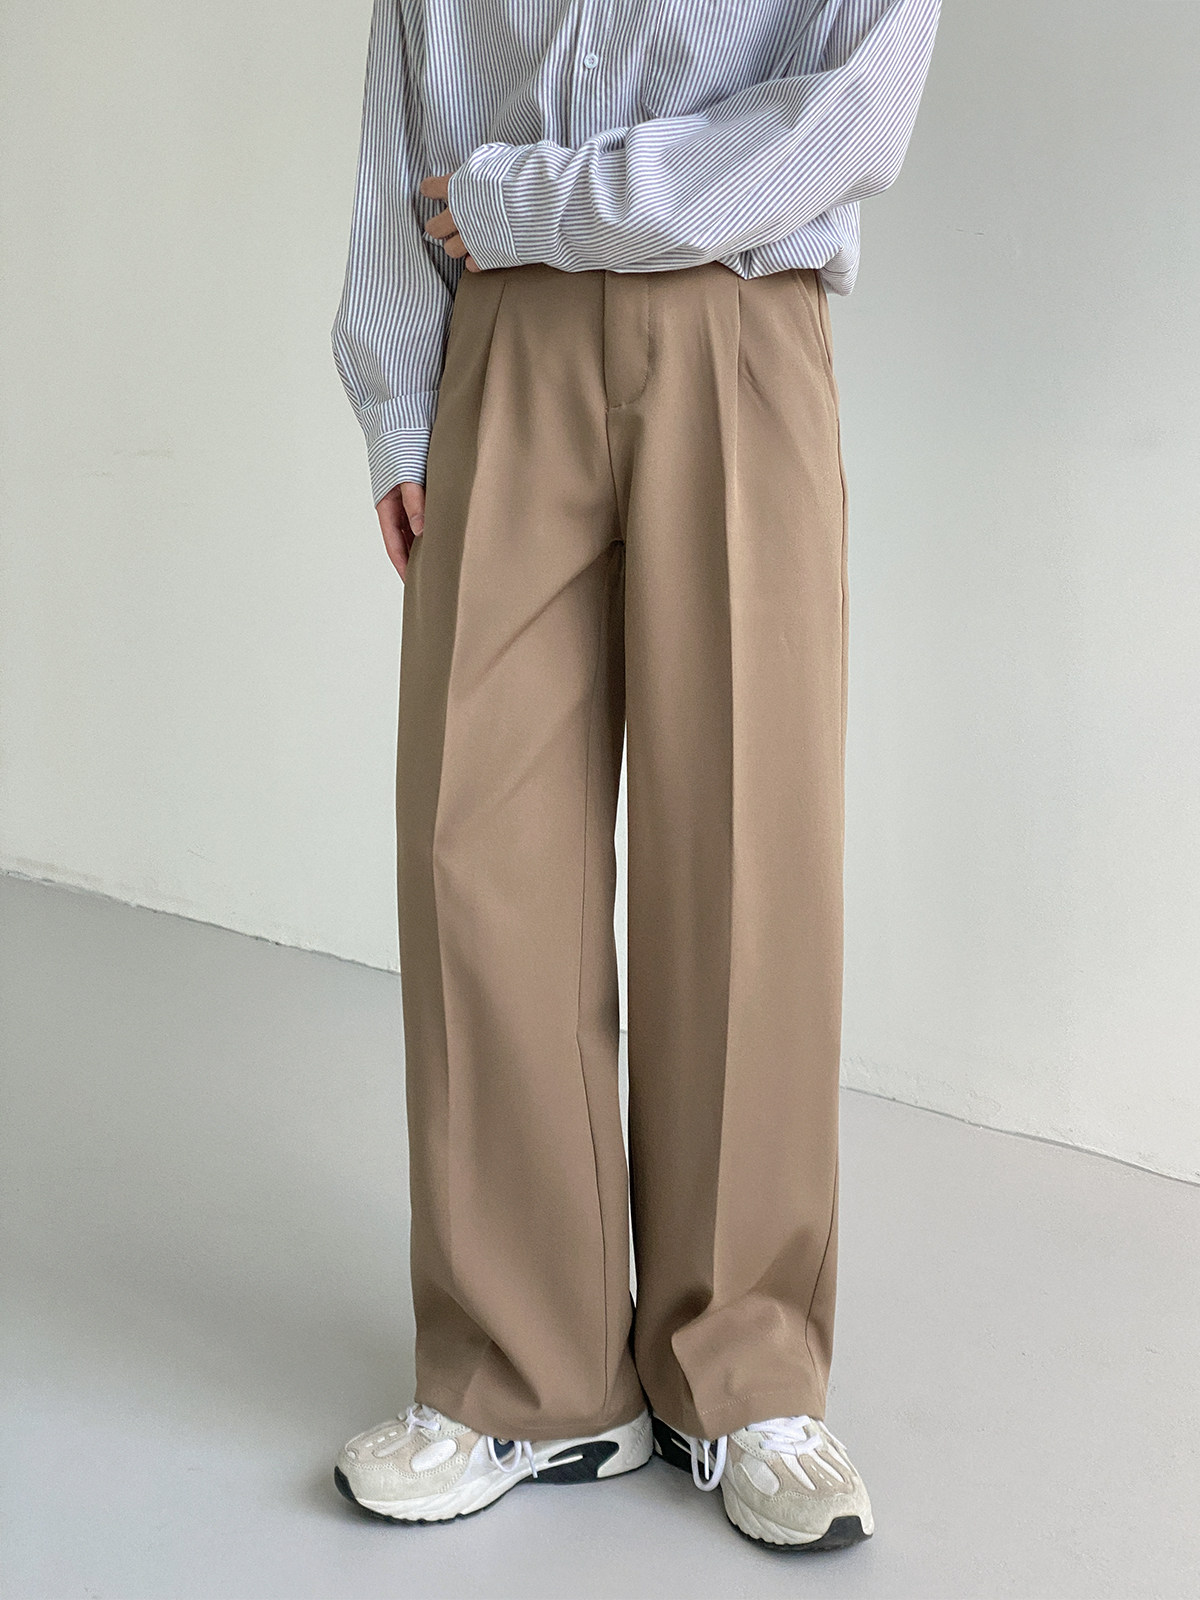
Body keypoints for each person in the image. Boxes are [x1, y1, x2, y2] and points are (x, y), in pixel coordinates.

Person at [328, 0, 940, 1552]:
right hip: (502, 341)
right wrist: (398, 394)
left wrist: (539, 199)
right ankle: (521, 1373)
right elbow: (406, 99)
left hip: (735, 320)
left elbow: (852, 111)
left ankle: (742, 1372)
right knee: (477, 847)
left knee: (746, 854)